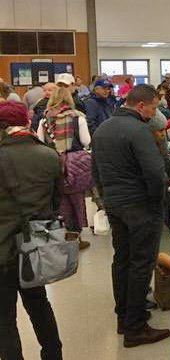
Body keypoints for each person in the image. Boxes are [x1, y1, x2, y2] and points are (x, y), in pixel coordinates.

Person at [91, 84, 170, 347]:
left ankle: (123, 318)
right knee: (141, 263)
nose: (154, 112)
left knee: (122, 260)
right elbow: (155, 173)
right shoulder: (139, 131)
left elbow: (96, 171)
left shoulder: (102, 129)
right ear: (141, 106)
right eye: (154, 107)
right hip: (140, 206)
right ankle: (136, 326)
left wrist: (105, 198)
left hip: (114, 204)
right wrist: (156, 201)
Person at [0, 101, 64, 360]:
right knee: (40, 306)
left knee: (4, 318)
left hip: (2, 251)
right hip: (35, 248)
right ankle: (53, 355)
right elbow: (55, 202)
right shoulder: (49, 155)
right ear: (26, 122)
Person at [36, 87, 92, 250]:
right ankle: (77, 235)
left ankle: (61, 233)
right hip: (75, 164)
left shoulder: (44, 120)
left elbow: (40, 142)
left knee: (58, 199)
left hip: (53, 163)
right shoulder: (78, 118)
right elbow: (86, 140)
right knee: (76, 199)